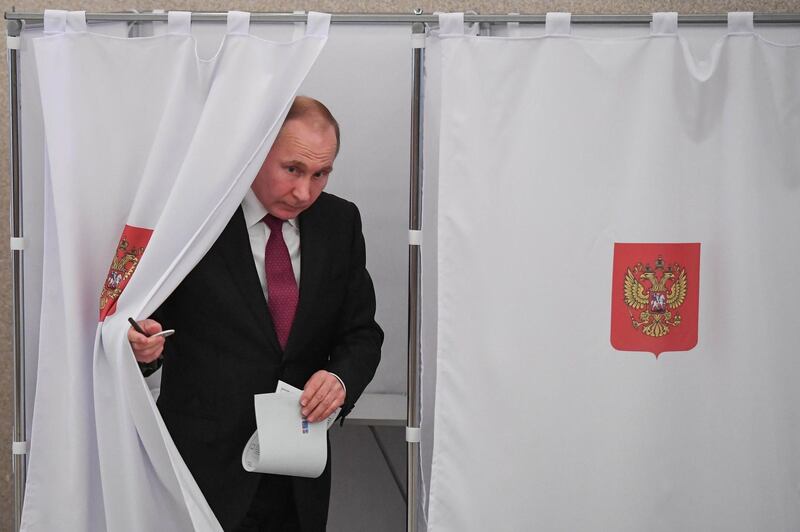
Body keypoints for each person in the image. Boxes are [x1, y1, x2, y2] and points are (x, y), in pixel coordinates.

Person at [128, 96, 383, 531]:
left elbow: (361, 333)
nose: (305, 192)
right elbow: (145, 325)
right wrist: (144, 348)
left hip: (296, 470)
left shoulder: (340, 221)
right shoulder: (194, 218)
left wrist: (340, 380)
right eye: (293, 170)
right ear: (256, 150)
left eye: (320, 174)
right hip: (201, 467)